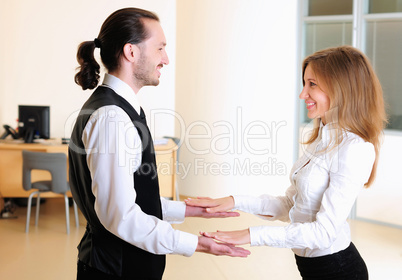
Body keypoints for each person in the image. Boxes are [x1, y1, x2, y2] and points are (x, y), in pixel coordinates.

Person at [69, 7, 250, 280]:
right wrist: (197, 243)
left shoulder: (119, 110)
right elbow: (121, 216)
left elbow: (134, 199)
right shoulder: (112, 118)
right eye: (160, 48)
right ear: (131, 52)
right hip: (115, 269)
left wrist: (191, 210)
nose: (166, 58)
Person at [185, 45, 387, 280]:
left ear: (341, 88)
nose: (303, 94)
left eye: (312, 84)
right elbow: (291, 205)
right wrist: (232, 201)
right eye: (304, 83)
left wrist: (251, 235)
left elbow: (323, 233)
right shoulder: (323, 137)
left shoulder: (355, 149)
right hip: (312, 267)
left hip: (338, 270)